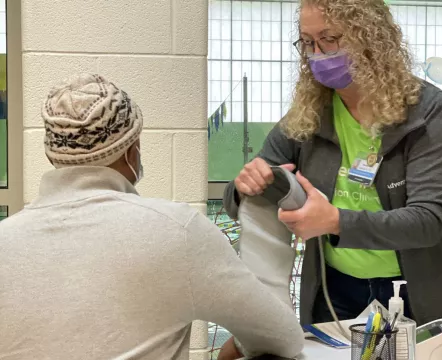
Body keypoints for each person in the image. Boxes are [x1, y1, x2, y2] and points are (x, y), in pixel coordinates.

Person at [0, 74, 304, 359]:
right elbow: (282, 337)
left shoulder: (5, 241)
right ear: (132, 150)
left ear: (52, 155)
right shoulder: (177, 231)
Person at [223, 0, 442, 338]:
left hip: (419, 290)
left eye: (330, 38)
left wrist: (334, 221)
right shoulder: (310, 112)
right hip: (336, 290)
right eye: (308, 41)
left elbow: (429, 220)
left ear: (371, 38)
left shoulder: (428, 111)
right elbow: (242, 196)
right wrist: (245, 186)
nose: (317, 53)